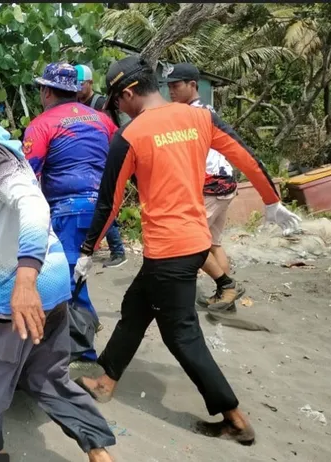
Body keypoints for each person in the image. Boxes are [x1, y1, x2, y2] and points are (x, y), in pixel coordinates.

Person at [72, 56, 302, 446]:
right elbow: (243, 154)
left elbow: (108, 203)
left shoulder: (130, 136)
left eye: (117, 101)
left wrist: (86, 249)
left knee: (181, 335)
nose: (118, 109)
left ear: (128, 93)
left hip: (168, 252)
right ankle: (106, 379)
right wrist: (270, 200)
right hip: (195, 243)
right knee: (135, 307)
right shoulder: (198, 118)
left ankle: (233, 417)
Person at [0, 69, 116, 461]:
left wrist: (25, 281)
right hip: (54, 280)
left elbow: (33, 202)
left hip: (18, 285)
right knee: (47, 376)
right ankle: (99, 452)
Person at [22, 62, 119, 364]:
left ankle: (82, 353)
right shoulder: (103, 120)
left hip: (68, 211)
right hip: (102, 210)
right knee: (77, 272)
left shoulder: (42, 124)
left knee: (66, 280)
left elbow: (26, 176)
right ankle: (86, 326)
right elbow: (121, 156)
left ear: (47, 90)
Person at [165, 62, 242, 311]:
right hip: (225, 182)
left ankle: (226, 285)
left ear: (192, 85)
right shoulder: (207, 110)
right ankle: (225, 297)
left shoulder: (191, 115)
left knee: (190, 242)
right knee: (213, 243)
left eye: (176, 86)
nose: (171, 91)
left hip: (211, 184)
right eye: (169, 86)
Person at [74, 64, 128, 268]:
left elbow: (114, 131)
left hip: (104, 158)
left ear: (89, 83)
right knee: (98, 204)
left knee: (102, 204)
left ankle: (118, 250)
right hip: (88, 160)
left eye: (81, 84)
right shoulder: (76, 103)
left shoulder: (100, 103)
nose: (78, 88)